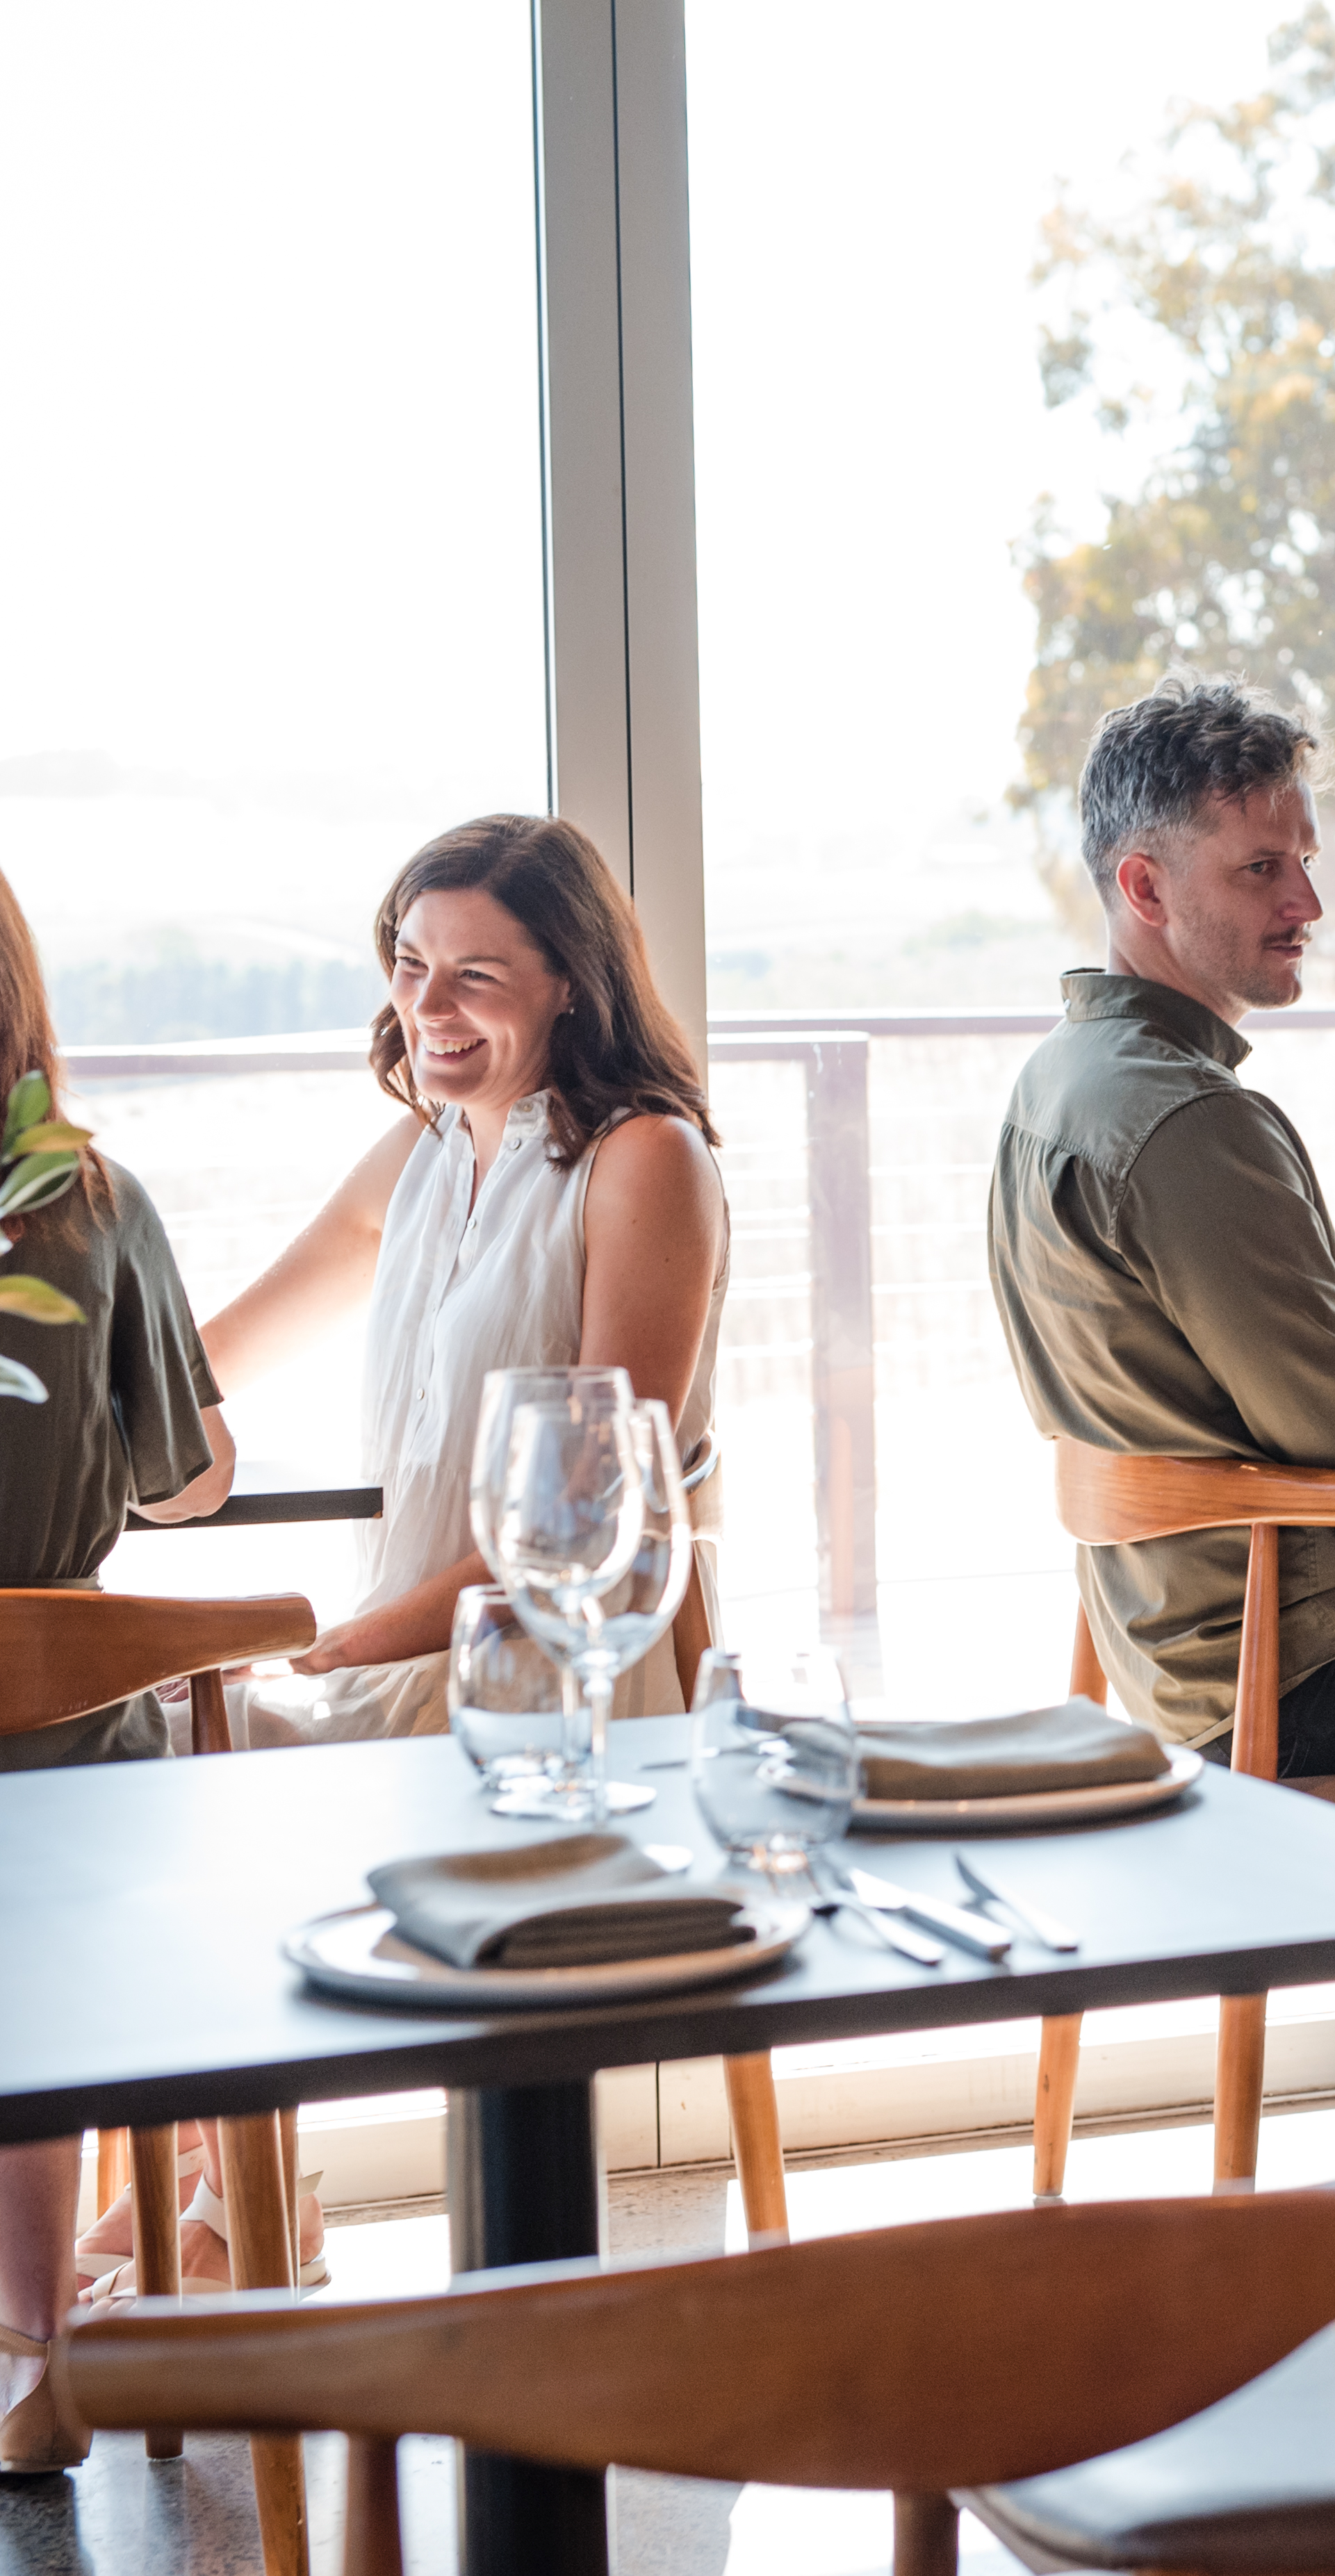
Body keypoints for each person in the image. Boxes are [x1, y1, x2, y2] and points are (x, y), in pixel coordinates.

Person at [990, 673, 1335, 1774]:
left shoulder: (1054, 1082)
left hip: (1164, 1650)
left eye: (1303, 859)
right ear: (1144, 887)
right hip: (1303, 1669)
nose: (1306, 902)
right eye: (1262, 868)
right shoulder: (1189, 1121)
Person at [203, 814, 728, 1744]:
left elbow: (578, 1530)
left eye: (475, 976)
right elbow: (212, 1358)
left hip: (549, 1674)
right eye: (410, 963)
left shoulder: (646, 1160)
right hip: (399, 1650)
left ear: (571, 982)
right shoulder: (425, 1147)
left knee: (125, 1749)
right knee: (118, 1716)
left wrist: (320, 1651)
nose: (427, 1005)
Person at [0, 864, 235, 2472]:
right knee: (57, 1889)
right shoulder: (82, 1198)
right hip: (52, 1759)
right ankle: (43, 2341)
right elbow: (180, 1480)